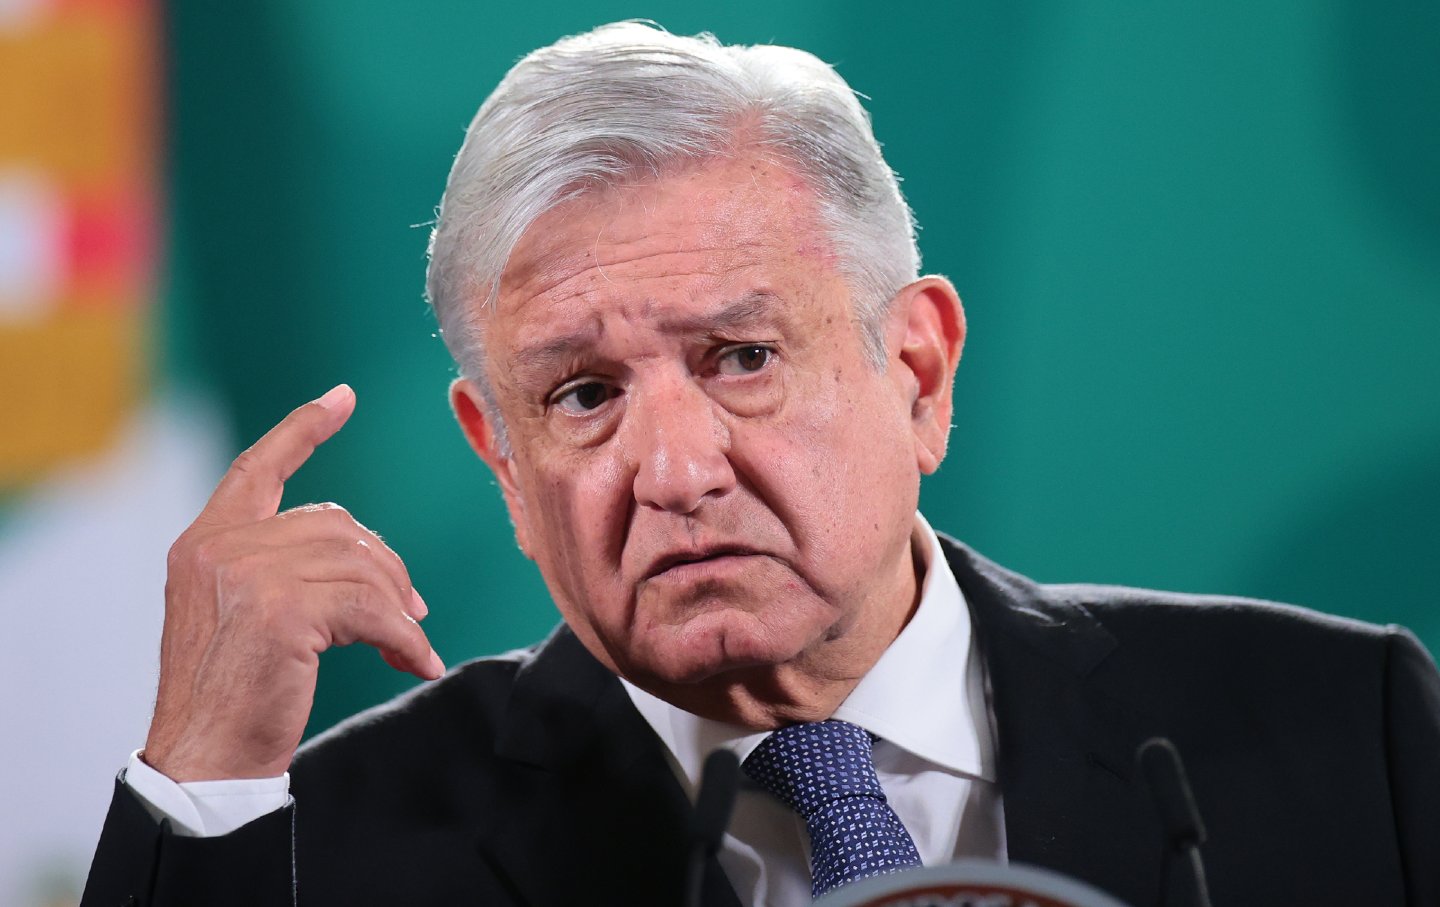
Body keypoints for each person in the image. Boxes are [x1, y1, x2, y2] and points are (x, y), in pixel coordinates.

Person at [82, 21, 1439, 907]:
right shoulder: (327, 846)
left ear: (917, 372)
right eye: (584, 394)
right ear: (502, 461)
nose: (674, 472)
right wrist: (205, 780)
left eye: (741, 358)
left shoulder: (1341, 733)